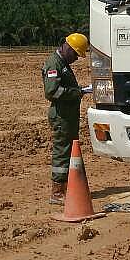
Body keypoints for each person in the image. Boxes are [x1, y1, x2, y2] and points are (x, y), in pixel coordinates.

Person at [42, 32, 90, 204]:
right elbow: (52, 91)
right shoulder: (54, 64)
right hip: (61, 116)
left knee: (69, 150)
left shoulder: (62, 63)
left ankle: (68, 187)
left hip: (67, 116)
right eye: (76, 54)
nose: (76, 58)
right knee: (62, 152)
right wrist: (77, 92)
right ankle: (57, 192)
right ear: (68, 48)